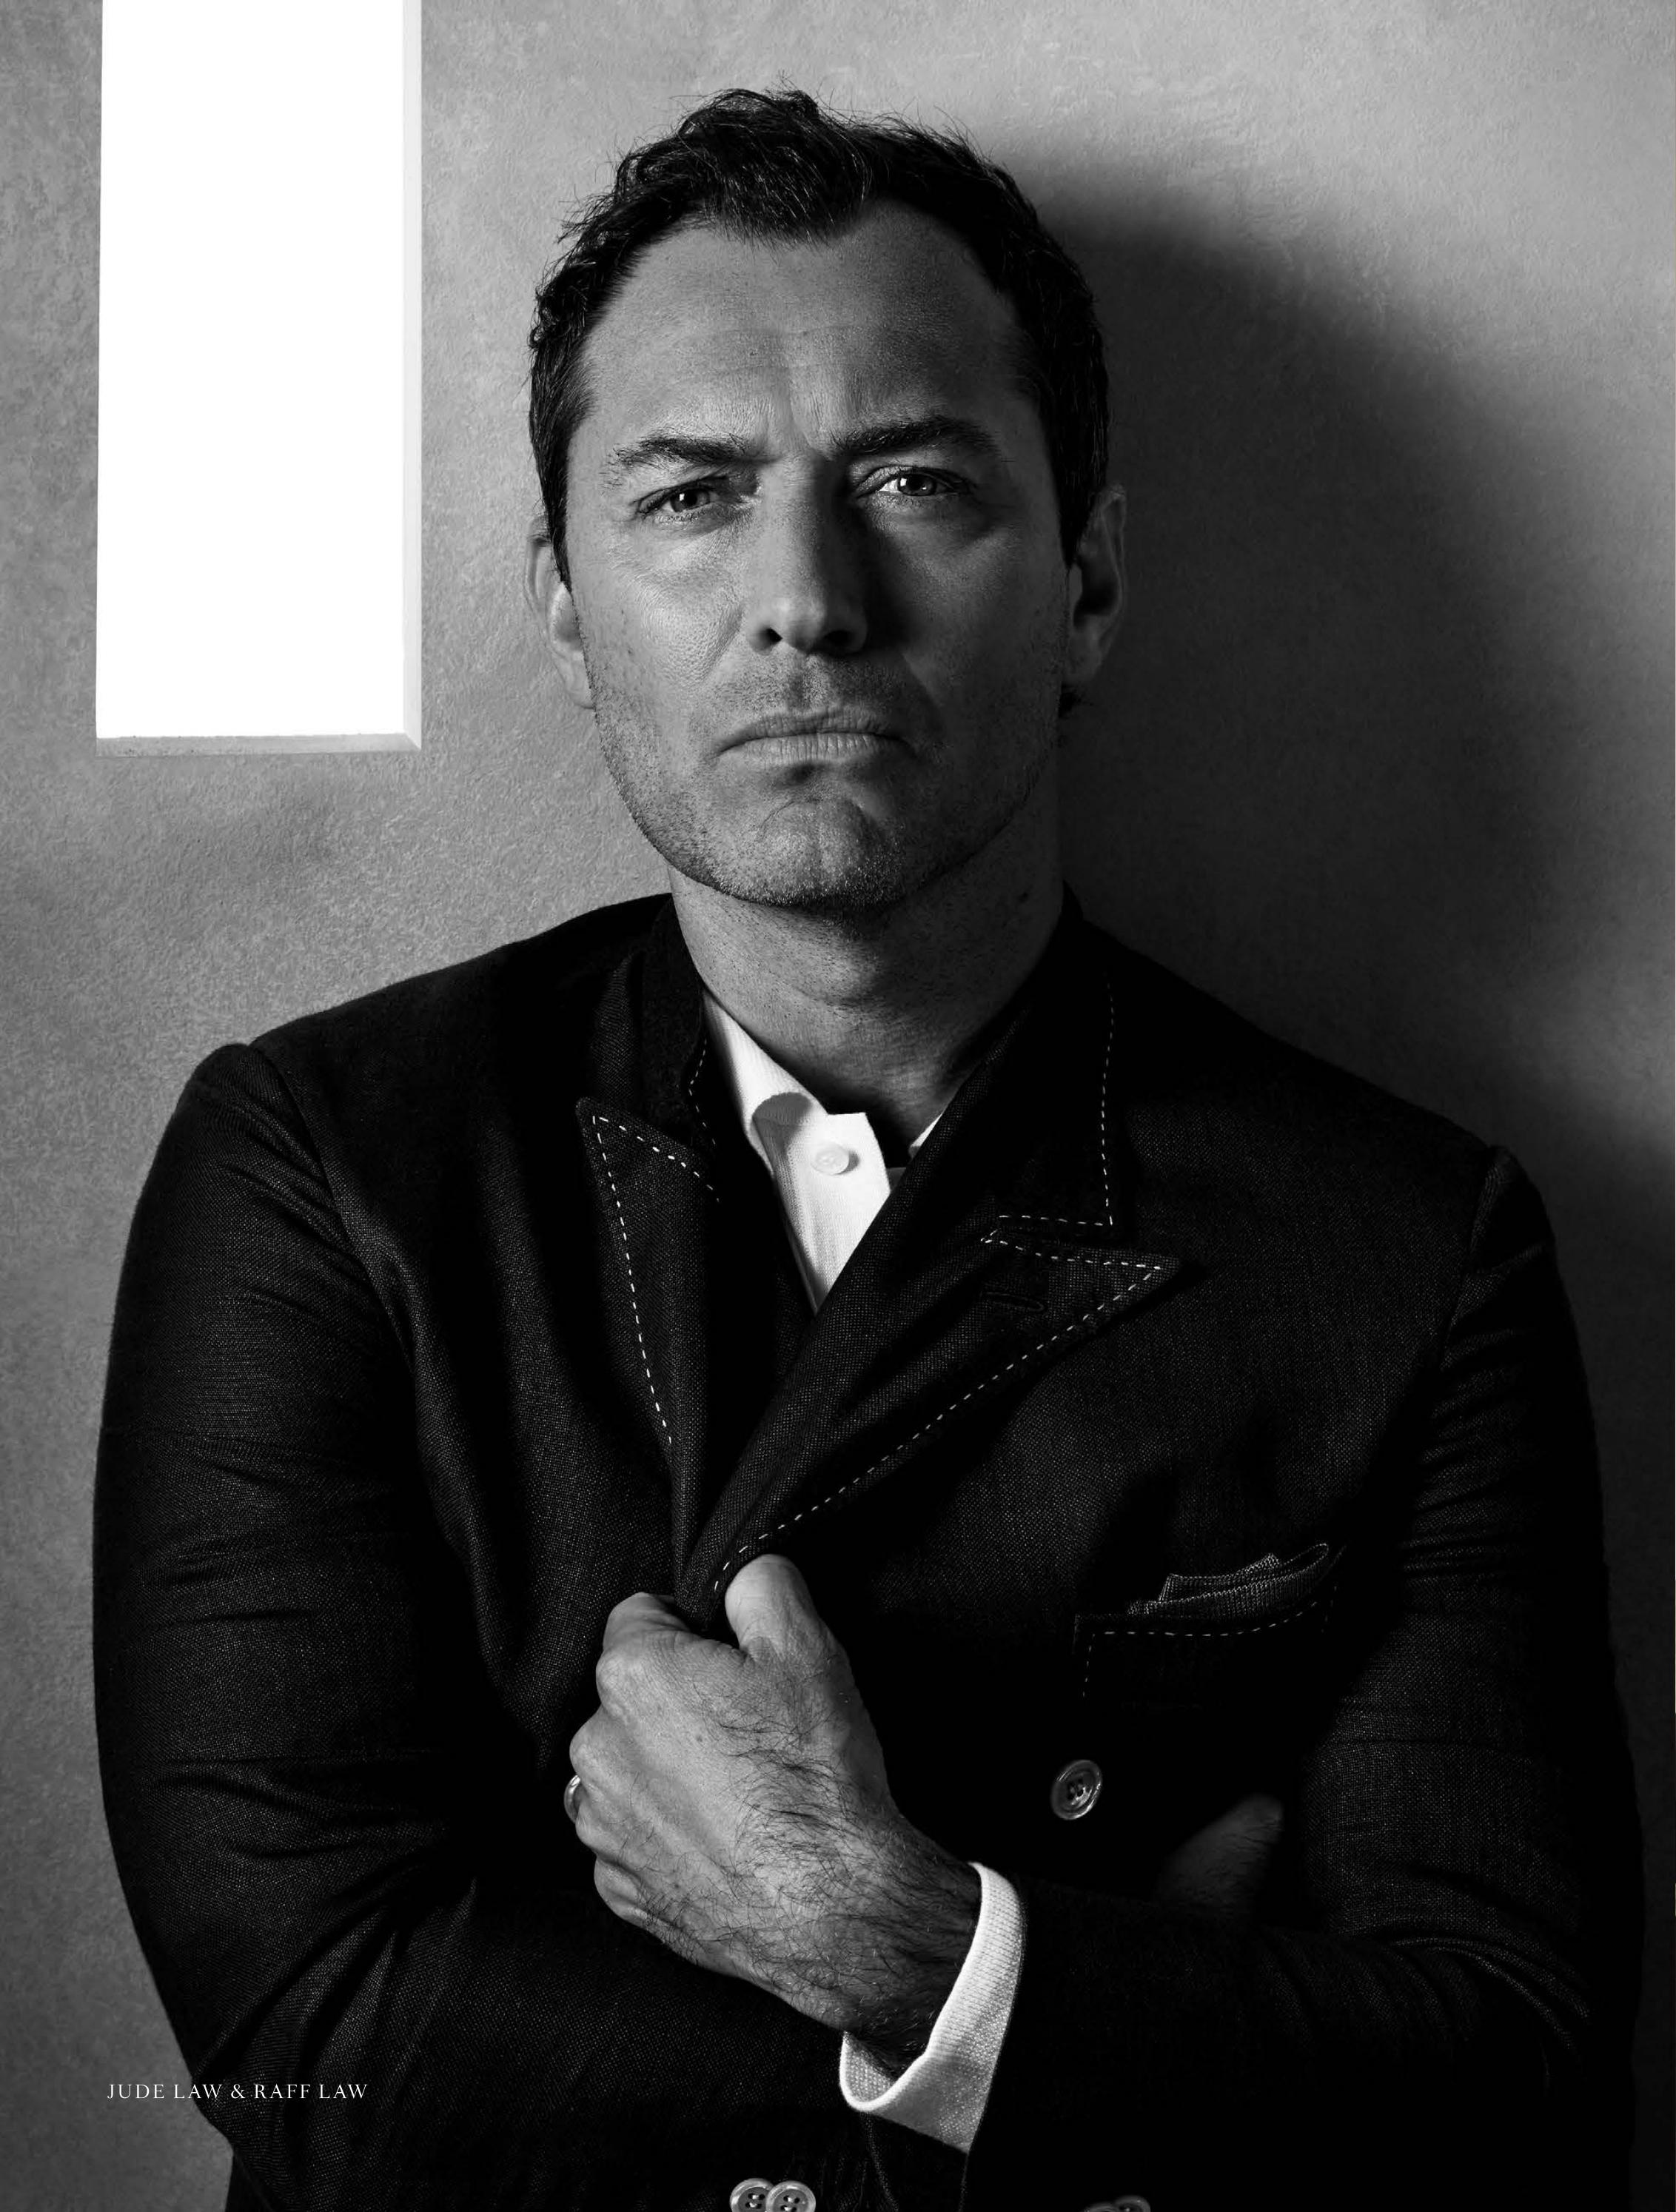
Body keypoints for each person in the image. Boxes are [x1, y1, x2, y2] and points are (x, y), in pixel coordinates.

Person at [93, 87, 1640, 2212]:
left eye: (913, 481)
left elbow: (1508, 2096)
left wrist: (892, 1936)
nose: (806, 602)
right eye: (691, 496)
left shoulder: (1406, 1246)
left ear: (1088, 581)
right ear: (567, 608)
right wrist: (1084, 2034)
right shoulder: (326, 1169)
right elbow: (310, 2037)